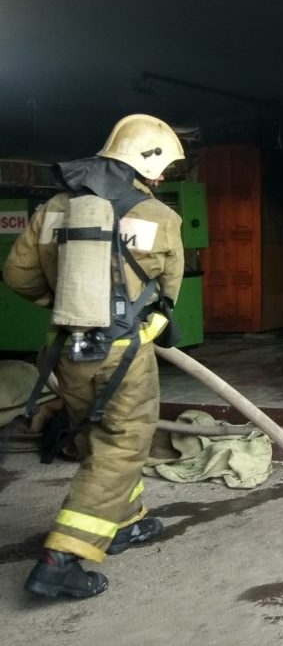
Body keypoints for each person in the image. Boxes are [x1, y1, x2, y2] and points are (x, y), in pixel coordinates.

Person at [3, 114, 185, 597]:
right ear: (144, 163)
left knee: (94, 434)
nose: (162, 177)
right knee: (123, 443)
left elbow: (17, 275)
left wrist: (63, 305)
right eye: (162, 167)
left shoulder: (54, 209)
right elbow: (168, 292)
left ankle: (124, 522)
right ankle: (60, 560)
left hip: (65, 351)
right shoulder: (159, 217)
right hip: (122, 353)